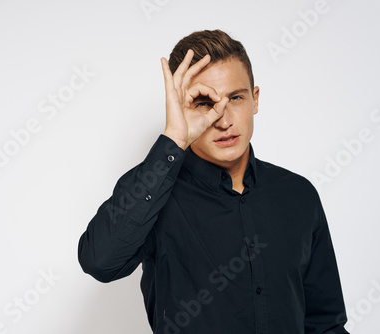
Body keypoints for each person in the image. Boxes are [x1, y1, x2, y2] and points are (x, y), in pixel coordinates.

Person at [78, 29, 349, 334]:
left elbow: (326, 324)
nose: (224, 119)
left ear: (255, 99)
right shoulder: (156, 195)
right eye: (205, 102)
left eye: (235, 98)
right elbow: (99, 260)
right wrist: (174, 139)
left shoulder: (299, 196)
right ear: (182, 108)